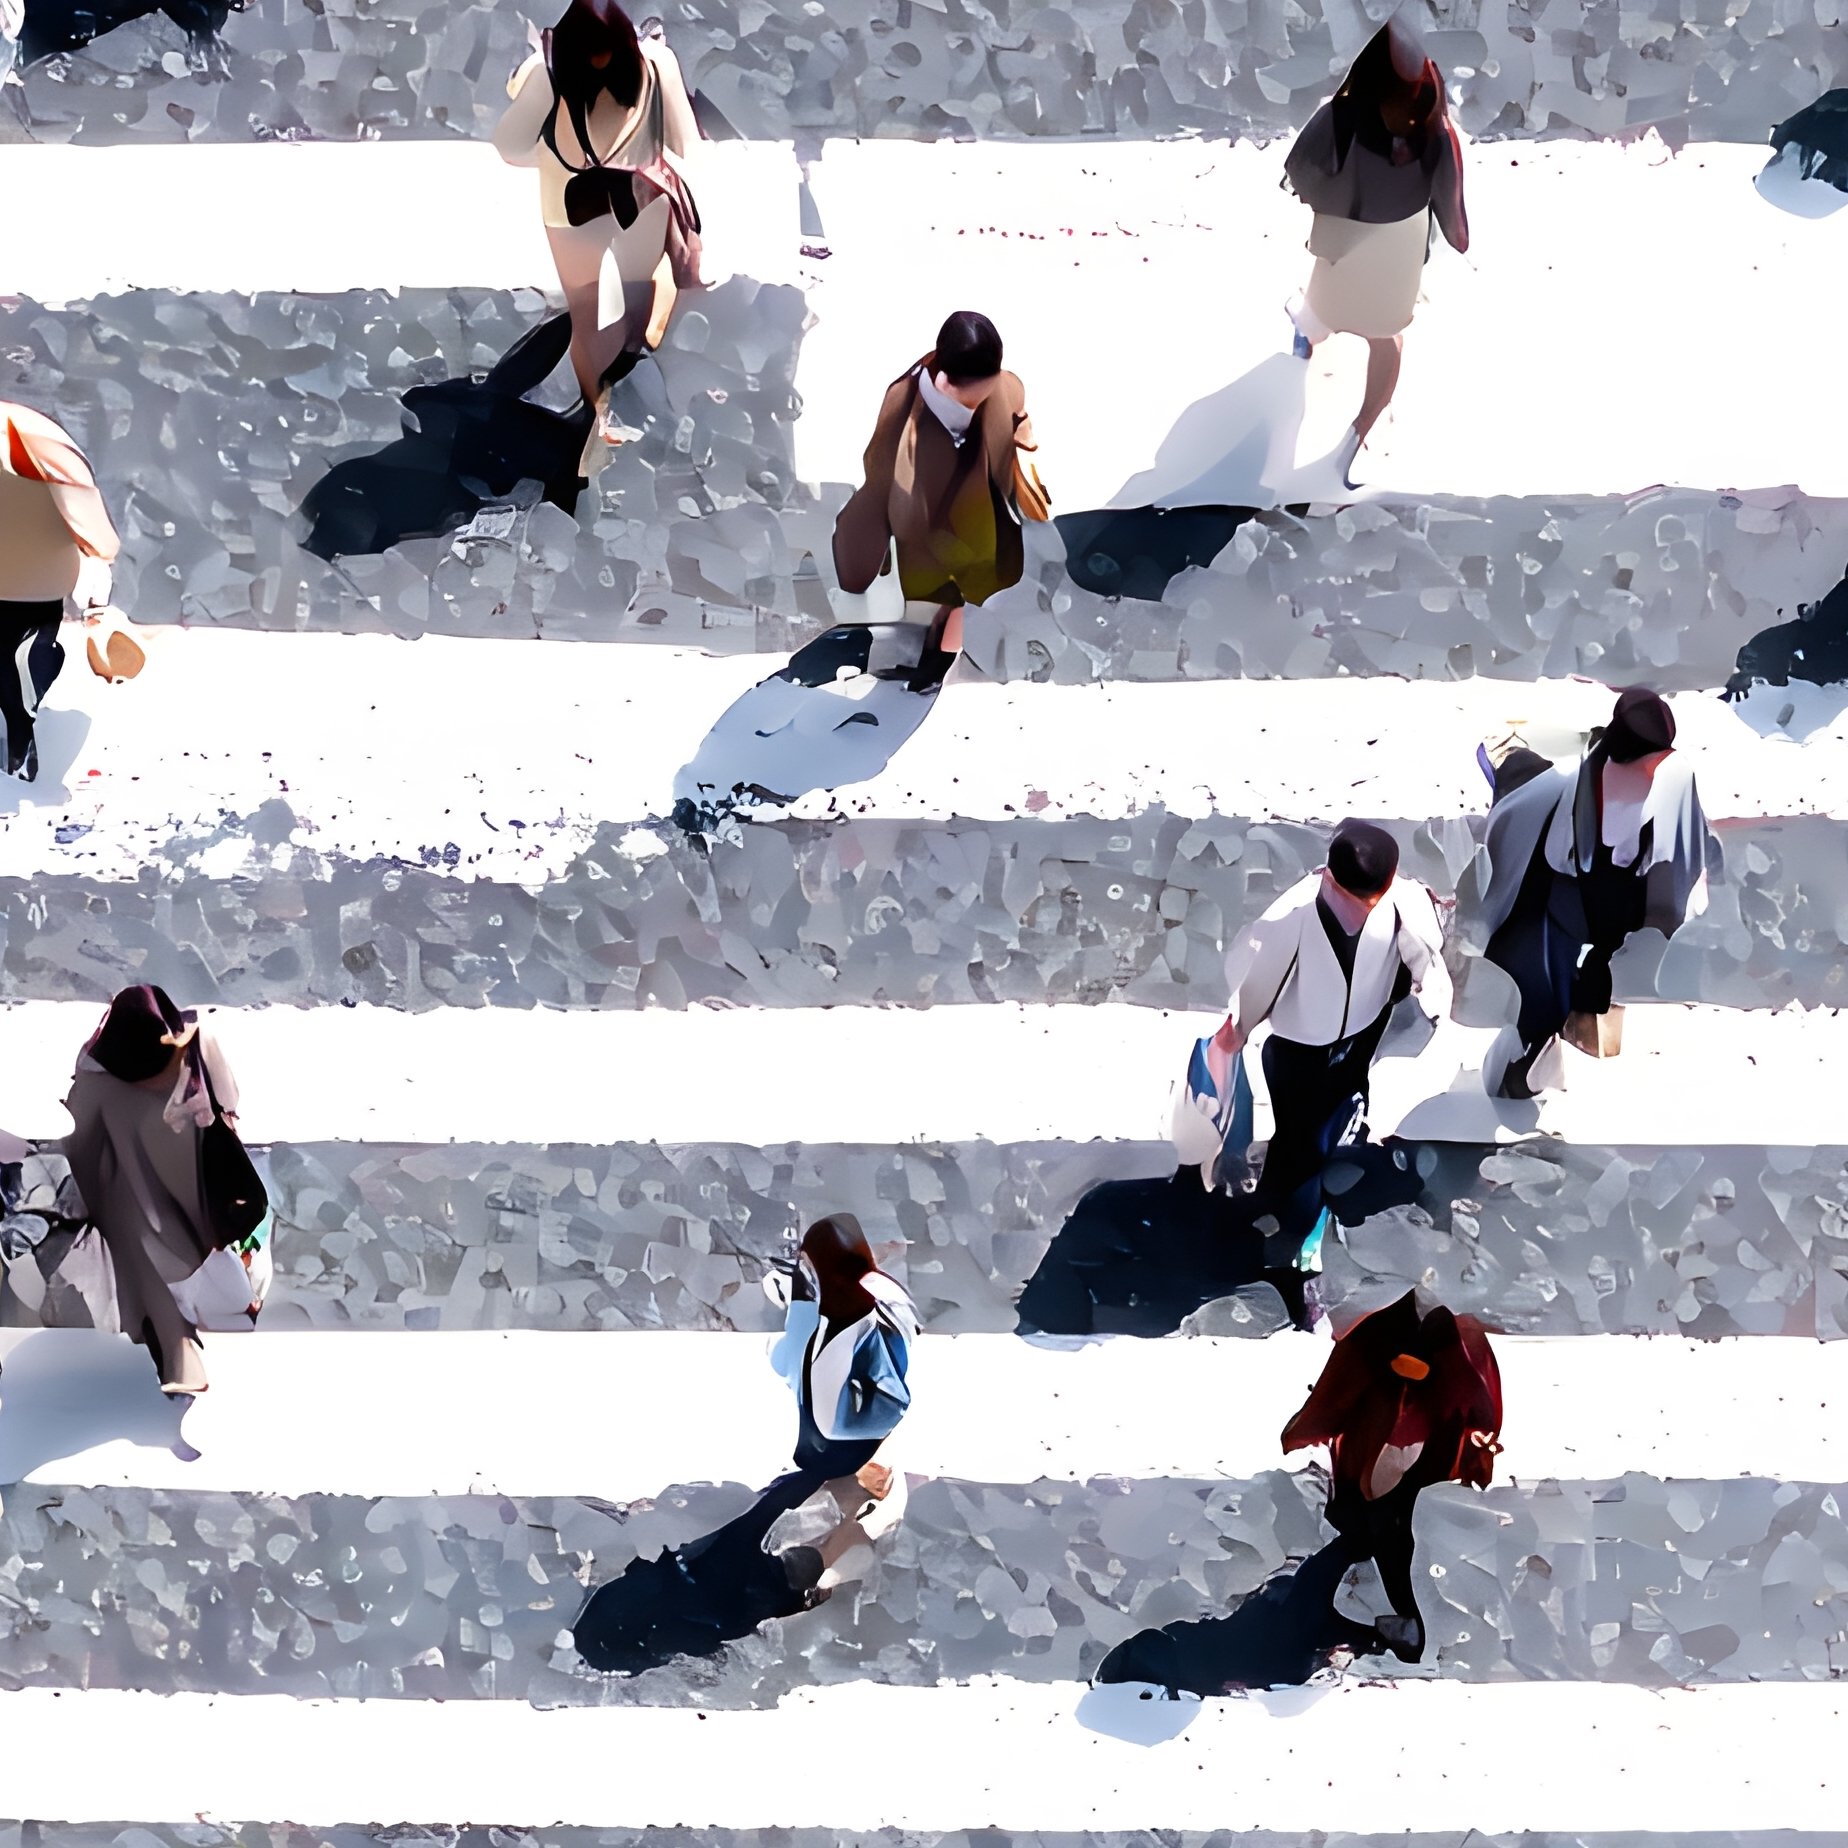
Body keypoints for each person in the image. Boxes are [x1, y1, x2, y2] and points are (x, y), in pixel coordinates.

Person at [573, 1213, 916, 1674]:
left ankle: (825, 1301)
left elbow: (805, 1536)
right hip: (792, 1495)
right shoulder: (700, 1588)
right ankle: (827, 1302)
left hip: (788, 1504)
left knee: (828, 1433)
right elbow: (797, 1531)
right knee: (828, 1435)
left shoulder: (711, 1605)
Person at [1206, 821, 1452, 1272]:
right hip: (1299, 1048)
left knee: (1344, 1108)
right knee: (1299, 1144)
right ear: (1330, 879)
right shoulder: (1292, 918)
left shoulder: (1401, 899)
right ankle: (1284, 1226)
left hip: (1363, 1031)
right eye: (1356, 899)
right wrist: (1237, 1031)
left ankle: (1315, 1200)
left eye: (1375, 897)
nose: (1367, 908)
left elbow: (1424, 951)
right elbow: (1257, 981)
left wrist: (1431, 1000)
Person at [1474, 687, 1713, 1100]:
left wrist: (1649, 938)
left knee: (1594, 986)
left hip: (1622, 909)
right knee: (1537, 989)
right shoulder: (1578, 778)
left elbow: (1678, 873)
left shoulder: (1673, 784)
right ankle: (1522, 1066)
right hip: (1565, 897)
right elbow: (1531, 833)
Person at [493, 0, 701, 448]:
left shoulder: (544, 71)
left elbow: (509, 147)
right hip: (639, 200)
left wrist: (551, 157)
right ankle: (630, 387)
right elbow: (686, 144)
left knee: (588, 314)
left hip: (569, 203)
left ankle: (596, 415)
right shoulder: (657, 63)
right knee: (636, 306)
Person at [1281, 14, 1468, 488]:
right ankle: (1354, 439)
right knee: (1386, 339)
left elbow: (1298, 171)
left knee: (1320, 315)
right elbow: (1455, 226)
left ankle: (1295, 369)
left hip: (1342, 239)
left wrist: (1336, 199)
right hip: (1396, 248)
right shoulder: (1436, 134)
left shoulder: (1341, 113)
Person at [59, 986, 266, 1397]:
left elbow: (79, 1130)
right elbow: (228, 1099)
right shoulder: (189, 1045)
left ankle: (170, 1350)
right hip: (188, 1200)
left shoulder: (94, 1064)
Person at [832, 310, 1049, 694]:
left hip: (983, 521)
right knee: (933, 601)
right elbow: (878, 482)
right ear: (945, 382)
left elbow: (1015, 418)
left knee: (994, 591)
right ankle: (934, 664)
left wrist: (1023, 450)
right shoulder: (903, 410)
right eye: (973, 395)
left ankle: (969, 656)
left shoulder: (1001, 386)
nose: (983, 398)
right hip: (923, 530)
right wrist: (861, 553)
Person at [1281, 1288, 1503, 1663]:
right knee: (1390, 1523)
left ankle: (1412, 1633)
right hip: (1402, 1444)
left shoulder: (1404, 1346)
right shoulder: (1405, 1345)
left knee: (1387, 1523)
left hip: (1400, 1445)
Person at [0, 399, 134, 783]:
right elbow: (92, 527)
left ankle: (18, 735)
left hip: (34, 586)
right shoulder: (43, 444)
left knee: (15, 667)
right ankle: (19, 740)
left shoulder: (35, 441)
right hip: (38, 587)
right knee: (21, 665)